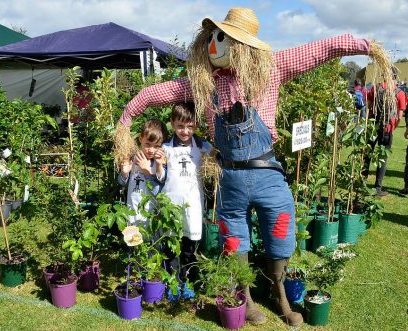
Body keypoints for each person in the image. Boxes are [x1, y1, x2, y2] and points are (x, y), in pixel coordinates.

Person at [114, 7, 386, 326]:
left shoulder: (271, 69)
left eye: (225, 38)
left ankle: (281, 296)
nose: (216, 45)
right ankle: (246, 296)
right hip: (230, 177)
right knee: (234, 239)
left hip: (267, 173)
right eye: (213, 37)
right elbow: (151, 94)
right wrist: (126, 120)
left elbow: (322, 49)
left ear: (245, 46)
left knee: (281, 229)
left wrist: (365, 46)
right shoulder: (201, 85)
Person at [155, 102, 213, 300]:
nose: (185, 131)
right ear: (172, 124)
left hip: (193, 206)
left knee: (189, 246)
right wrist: (159, 163)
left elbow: (217, 157)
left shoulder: (202, 146)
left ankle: (186, 280)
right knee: (171, 244)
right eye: (180, 126)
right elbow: (160, 177)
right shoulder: (166, 148)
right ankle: (171, 281)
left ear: (195, 124)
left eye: (189, 126)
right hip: (171, 205)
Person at [118, 119, 168, 225]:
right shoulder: (133, 158)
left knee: (151, 240)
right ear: (141, 139)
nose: (151, 150)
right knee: (133, 239)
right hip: (132, 211)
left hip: (151, 214)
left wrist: (148, 171)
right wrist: (124, 173)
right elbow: (122, 182)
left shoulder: (160, 162)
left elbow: (161, 190)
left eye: (156, 146)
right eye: (148, 144)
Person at [364, 79, 406, 197]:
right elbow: (399, 114)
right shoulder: (399, 92)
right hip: (387, 127)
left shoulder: (376, 88)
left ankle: (361, 182)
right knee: (382, 157)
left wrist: (367, 122)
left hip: (373, 125)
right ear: (395, 78)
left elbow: (369, 104)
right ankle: (378, 187)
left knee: (367, 153)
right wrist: (393, 127)